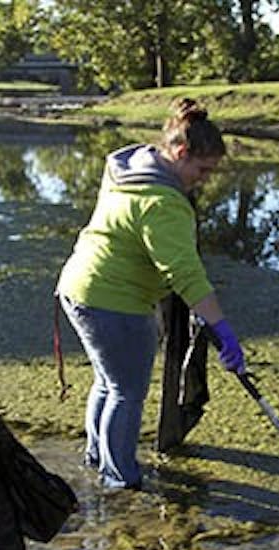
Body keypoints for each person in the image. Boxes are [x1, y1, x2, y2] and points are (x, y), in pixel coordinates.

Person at [56, 98, 246, 490]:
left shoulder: (131, 170)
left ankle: (99, 458)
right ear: (180, 152)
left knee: (108, 382)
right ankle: (120, 476)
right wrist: (221, 327)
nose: (205, 178)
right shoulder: (164, 203)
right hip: (113, 302)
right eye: (202, 168)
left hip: (78, 288)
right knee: (126, 391)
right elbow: (185, 273)